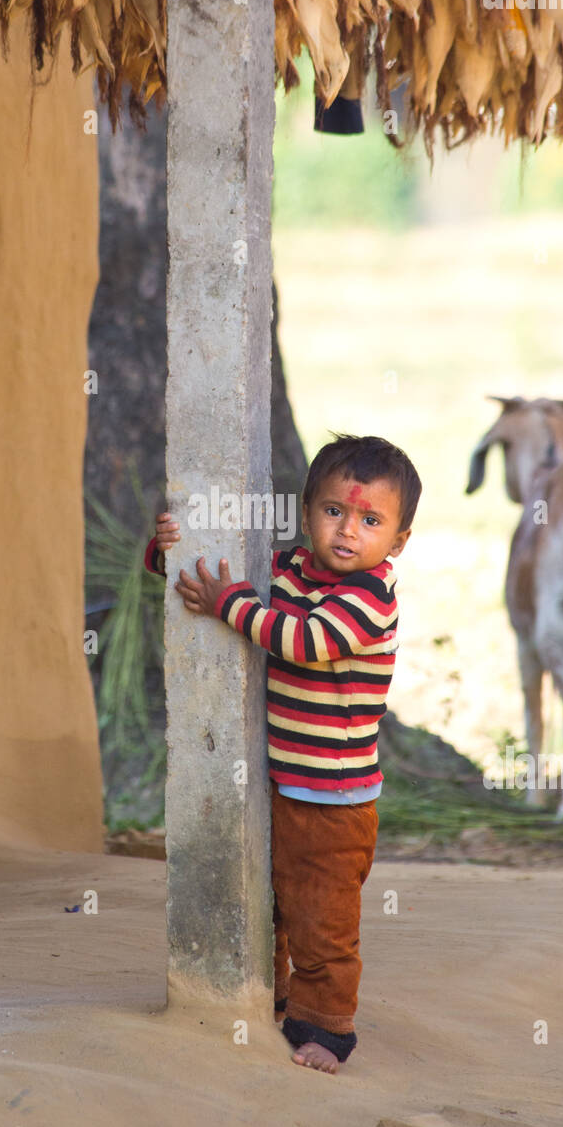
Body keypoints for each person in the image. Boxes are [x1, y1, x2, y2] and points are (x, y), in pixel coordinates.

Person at [143, 433, 421, 1073]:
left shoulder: (369, 598)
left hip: (335, 800)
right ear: (307, 514)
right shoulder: (294, 568)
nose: (348, 531)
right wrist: (170, 551)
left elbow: (303, 640)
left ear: (397, 541)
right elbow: (215, 569)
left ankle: (327, 1030)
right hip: (282, 784)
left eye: (370, 521)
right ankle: (273, 998)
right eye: (334, 512)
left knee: (323, 918)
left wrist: (230, 607)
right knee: (273, 900)